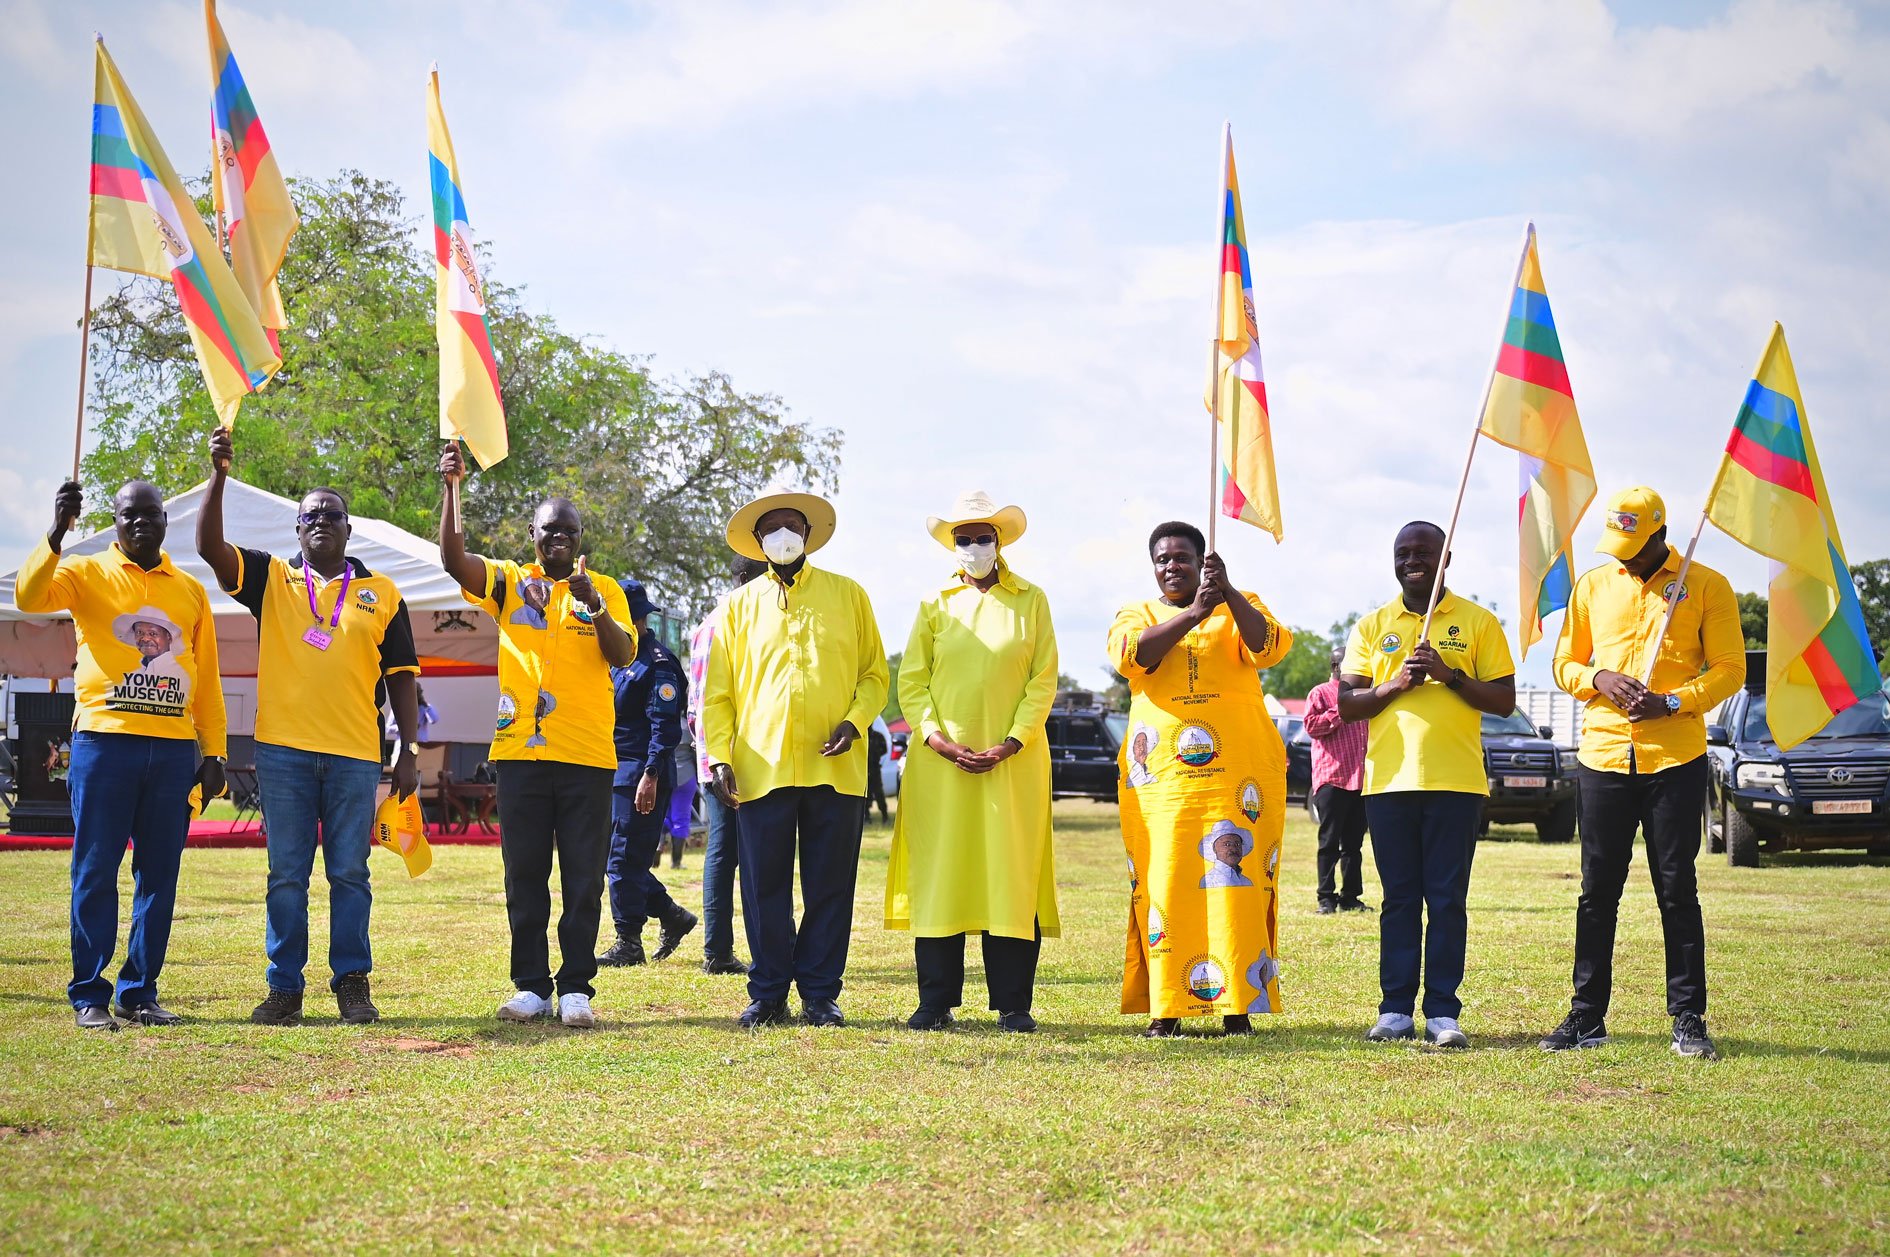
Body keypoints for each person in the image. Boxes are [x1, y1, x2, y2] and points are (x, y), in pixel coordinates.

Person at [198, 427, 420, 1027]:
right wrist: (218, 474)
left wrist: (409, 750)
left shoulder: (383, 593)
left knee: (350, 873)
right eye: (310, 516)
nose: (321, 520)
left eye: (332, 514)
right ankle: (284, 989)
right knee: (287, 876)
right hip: (283, 754)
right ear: (297, 531)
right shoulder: (271, 578)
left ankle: (352, 983)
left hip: (356, 755)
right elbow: (210, 547)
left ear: (349, 529)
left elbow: (402, 677)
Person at [1541, 487, 1745, 1061]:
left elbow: (1731, 669)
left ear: (1660, 535)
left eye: (1633, 547)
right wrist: (1598, 678)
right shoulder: (1593, 585)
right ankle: (1587, 1015)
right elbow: (1563, 663)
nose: (1624, 558)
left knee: (1677, 889)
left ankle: (1688, 1017)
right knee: (1596, 892)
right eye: (1617, 546)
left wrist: (1673, 702)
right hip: (1602, 757)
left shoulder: (1708, 585)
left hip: (1675, 760)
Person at [437, 444, 635, 1028]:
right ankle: (531, 986)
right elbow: (454, 561)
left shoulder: (604, 589)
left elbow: (623, 655)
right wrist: (452, 488)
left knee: (583, 878)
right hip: (520, 754)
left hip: (587, 756)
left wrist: (594, 606)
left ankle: (576, 987)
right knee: (524, 875)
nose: (560, 538)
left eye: (569, 531)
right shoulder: (509, 583)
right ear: (533, 534)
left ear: (580, 538)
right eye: (550, 529)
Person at [17, 479, 226, 1030]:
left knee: (159, 875)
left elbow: (206, 679)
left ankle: (139, 993)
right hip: (104, 743)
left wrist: (214, 752)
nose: (140, 522)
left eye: (150, 513)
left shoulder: (190, 590)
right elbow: (29, 599)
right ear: (114, 521)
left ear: (165, 521)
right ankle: (89, 994)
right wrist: (56, 533)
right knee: (95, 870)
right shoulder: (84, 572)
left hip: (174, 750)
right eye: (128, 514)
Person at [702, 489, 888, 1028]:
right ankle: (768, 992)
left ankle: (821, 993)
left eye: (793, 525)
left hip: (837, 766)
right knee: (764, 887)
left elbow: (875, 675)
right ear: (758, 540)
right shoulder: (737, 607)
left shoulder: (849, 595)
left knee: (830, 886)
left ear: (808, 535)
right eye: (772, 527)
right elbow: (717, 694)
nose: (783, 535)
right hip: (761, 767)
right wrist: (719, 757)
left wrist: (855, 722)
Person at [1108, 521, 1292, 1037]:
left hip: (1236, 781)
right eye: (1163, 559)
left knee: (1236, 886)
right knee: (1165, 885)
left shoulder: (1240, 604)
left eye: (1183, 558)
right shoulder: (1136, 613)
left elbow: (1270, 648)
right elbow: (1131, 657)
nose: (1172, 566)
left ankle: (1238, 1006)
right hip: (1162, 785)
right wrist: (1193, 615)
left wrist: (1226, 592)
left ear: (1202, 561)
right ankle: (1167, 1008)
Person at [886, 492, 1059, 1033]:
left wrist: (1012, 742)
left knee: (1011, 872)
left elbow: (1043, 682)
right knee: (942, 871)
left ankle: (1014, 1004)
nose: (974, 546)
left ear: (999, 541)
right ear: (952, 545)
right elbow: (912, 682)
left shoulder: (1032, 600)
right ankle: (934, 1001)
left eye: (984, 537)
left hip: (1014, 764)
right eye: (964, 538)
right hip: (941, 766)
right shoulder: (934, 604)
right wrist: (938, 740)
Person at [1339, 521, 1514, 1049]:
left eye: (1423, 552)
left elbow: (1504, 701)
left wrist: (1449, 674)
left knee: (1446, 900)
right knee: (1398, 900)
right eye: (1403, 553)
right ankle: (1395, 1009)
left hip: (1456, 783)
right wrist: (1395, 685)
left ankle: (1442, 1012)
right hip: (1389, 783)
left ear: (1446, 559)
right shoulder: (1372, 625)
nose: (1412, 560)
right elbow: (1348, 705)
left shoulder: (1479, 621)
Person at [597, 579, 699, 967]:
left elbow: (664, 725)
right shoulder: (617, 658)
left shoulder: (657, 663)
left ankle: (629, 942)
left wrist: (651, 773)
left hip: (641, 775)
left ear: (636, 619)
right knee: (614, 858)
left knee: (623, 860)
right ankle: (671, 915)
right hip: (613, 771)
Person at [686, 556, 769, 975]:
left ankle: (719, 948)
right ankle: (726, 950)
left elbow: (693, 706)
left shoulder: (705, 625)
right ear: (745, 579)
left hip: (711, 756)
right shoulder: (739, 622)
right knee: (744, 854)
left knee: (724, 853)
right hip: (738, 757)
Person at [1304, 646, 1372, 913]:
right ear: (1335, 667)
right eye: (1349, 663)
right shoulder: (1320, 693)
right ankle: (1326, 898)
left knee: (1354, 845)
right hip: (1332, 778)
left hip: (1361, 779)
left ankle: (1350, 897)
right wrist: (1341, 709)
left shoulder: (1364, 695)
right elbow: (1312, 726)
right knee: (1329, 843)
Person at [865, 722, 889, 823]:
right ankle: (866, 816)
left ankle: (885, 815)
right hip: (865, 769)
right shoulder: (862, 737)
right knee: (866, 794)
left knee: (879, 793)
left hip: (875, 768)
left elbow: (884, 750)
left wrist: (876, 755)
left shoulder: (878, 736)